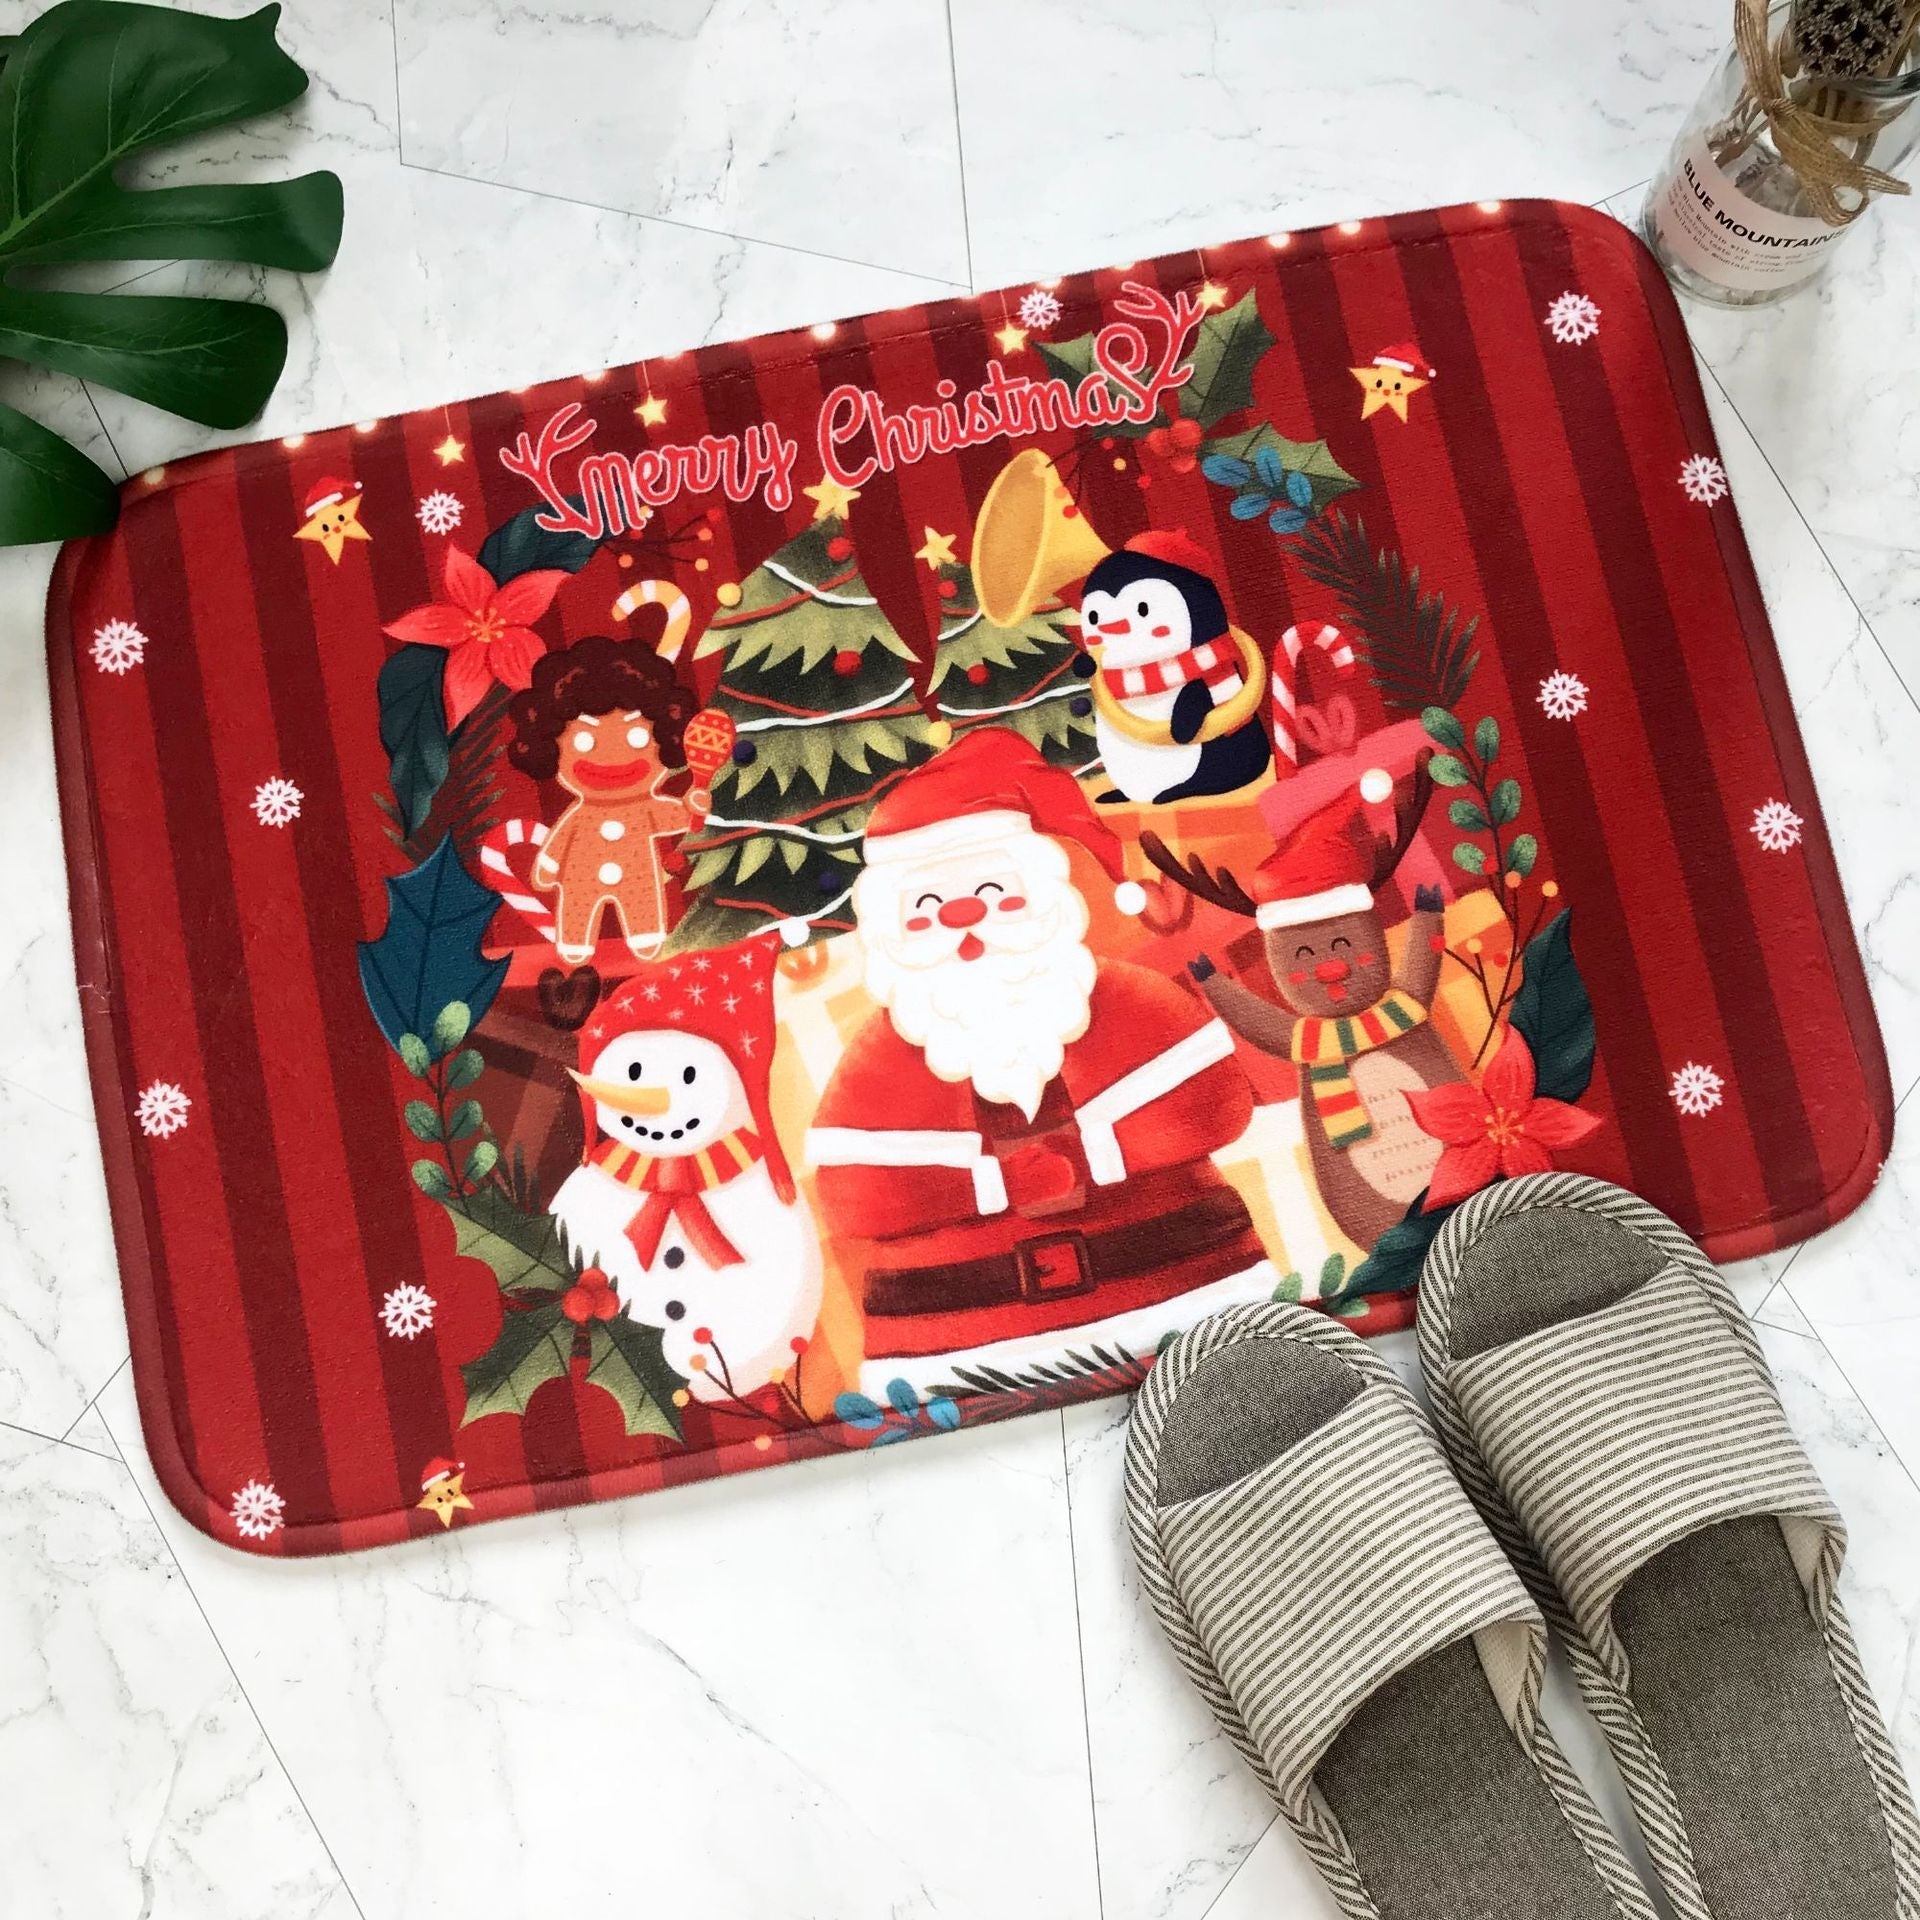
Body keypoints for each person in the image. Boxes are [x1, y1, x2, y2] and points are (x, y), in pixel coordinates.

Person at [807, 728, 1274, 1394]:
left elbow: (1215, 1103)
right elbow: (854, 1196)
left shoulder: (1123, 1000)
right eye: (928, 907)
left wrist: (1090, 1155)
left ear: (1041, 894)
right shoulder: (885, 1055)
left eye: (992, 891)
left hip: (1185, 1291)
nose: (963, 916)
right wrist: (996, 1184)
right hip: (965, 1349)